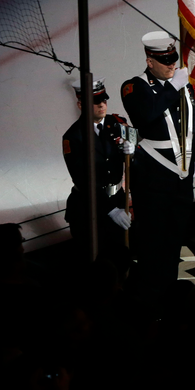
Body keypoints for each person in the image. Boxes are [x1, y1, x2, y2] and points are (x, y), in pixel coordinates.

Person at [121, 31, 195, 298]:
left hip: (182, 177)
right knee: (153, 243)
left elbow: (193, 123)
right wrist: (173, 86)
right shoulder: (134, 86)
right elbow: (145, 115)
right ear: (150, 61)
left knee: (174, 239)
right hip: (154, 178)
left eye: (173, 59)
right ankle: (151, 296)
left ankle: (168, 293)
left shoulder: (181, 83)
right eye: (165, 60)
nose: (171, 65)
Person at [62, 78, 134, 269]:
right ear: (80, 104)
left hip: (117, 198)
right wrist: (110, 209)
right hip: (89, 208)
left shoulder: (118, 124)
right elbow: (82, 178)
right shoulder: (73, 137)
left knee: (119, 259)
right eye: (95, 101)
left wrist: (132, 152)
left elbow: (132, 159)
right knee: (93, 264)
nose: (102, 104)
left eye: (104, 100)